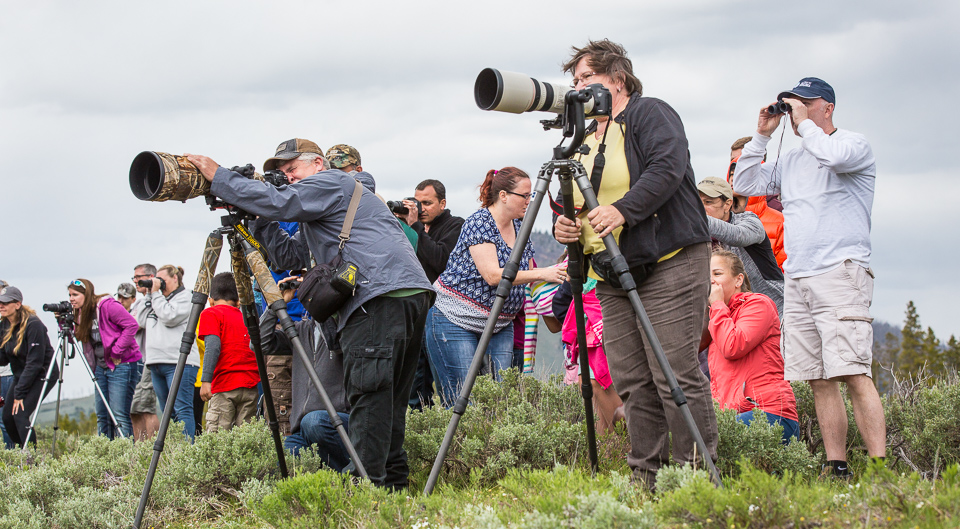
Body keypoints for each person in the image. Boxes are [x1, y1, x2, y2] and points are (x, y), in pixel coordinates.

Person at [186, 138, 433, 491]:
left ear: (318, 163)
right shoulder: (328, 207)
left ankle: (365, 495)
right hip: (402, 294)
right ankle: (392, 491)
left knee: (369, 398)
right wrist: (257, 216)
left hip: (377, 296)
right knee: (385, 403)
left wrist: (221, 178)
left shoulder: (332, 181)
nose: (288, 178)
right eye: (283, 173)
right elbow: (288, 256)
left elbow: (281, 201)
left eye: (292, 169)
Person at [553, 39, 718, 489]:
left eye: (587, 77)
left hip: (669, 260)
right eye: (575, 81)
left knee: (674, 372)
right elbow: (569, 199)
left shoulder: (650, 113)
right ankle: (646, 477)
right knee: (631, 379)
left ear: (618, 79)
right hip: (610, 270)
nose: (579, 87)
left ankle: (694, 478)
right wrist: (563, 226)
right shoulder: (582, 136)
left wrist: (623, 210)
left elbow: (667, 168)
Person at [732, 77, 885, 477]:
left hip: (840, 271)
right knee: (818, 378)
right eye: (792, 103)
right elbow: (744, 184)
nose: (796, 109)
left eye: (805, 102)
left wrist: (804, 124)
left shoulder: (852, 144)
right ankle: (837, 466)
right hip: (798, 277)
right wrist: (762, 136)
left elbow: (831, 158)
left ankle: (880, 469)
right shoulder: (793, 159)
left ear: (827, 107)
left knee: (853, 371)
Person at [426, 167, 566, 406]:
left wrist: (558, 277)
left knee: (500, 401)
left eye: (531, 196)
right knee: (463, 399)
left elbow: (528, 272)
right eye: (524, 196)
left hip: (500, 325)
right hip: (455, 321)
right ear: (503, 196)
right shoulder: (480, 222)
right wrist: (544, 273)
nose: (529, 201)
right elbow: (492, 275)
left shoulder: (520, 227)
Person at [706, 251, 798, 443]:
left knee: (710, 441)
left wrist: (717, 305)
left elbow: (732, 346)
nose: (711, 281)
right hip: (737, 414)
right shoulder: (718, 317)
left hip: (769, 412)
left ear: (738, 279)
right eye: (707, 276)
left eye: (717, 273)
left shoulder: (758, 304)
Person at [261, 276, 351, 471]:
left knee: (314, 422)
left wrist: (321, 298)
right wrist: (275, 303)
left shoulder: (345, 328)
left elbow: (330, 326)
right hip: (302, 429)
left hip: (338, 422)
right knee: (280, 464)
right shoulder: (301, 331)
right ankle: (326, 478)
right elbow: (259, 343)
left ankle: (352, 473)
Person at [396, 179, 465, 409]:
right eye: (418, 203)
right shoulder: (414, 227)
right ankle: (420, 427)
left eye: (427, 203)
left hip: (443, 315)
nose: (421, 208)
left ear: (442, 203)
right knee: (415, 387)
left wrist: (415, 227)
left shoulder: (456, 226)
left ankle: (448, 426)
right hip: (415, 313)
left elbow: (440, 260)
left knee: (445, 384)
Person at [697, 176, 784, 318]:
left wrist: (696, 218)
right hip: (728, 315)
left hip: (773, 312)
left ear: (727, 204)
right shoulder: (697, 236)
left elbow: (737, 235)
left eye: (708, 202)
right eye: (697, 203)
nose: (700, 209)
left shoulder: (749, 221)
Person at [68, 279, 142, 439]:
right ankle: (105, 451)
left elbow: (131, 325)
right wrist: (63, 323)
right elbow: (75, 337)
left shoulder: (107, 306)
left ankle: (126, 452)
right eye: (70, 295)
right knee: (102, 415)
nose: (71, 299)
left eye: (75, 294)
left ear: (86, 294)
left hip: (122, 364)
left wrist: (116, 351)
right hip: (100, 366)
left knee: (119, 414)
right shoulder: (81, 314)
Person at [137, 264, 201, 440]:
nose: (159, 284)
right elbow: (140, 320)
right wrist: (149, 294)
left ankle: (187, 450)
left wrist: (156, 294)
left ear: (175, 278)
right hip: (156, 362)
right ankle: (174, 449)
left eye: (162, 280)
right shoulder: (156, 298)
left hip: (179, 362)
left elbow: (169, 317)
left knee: (182, 409)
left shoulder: (186, 297)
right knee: (168, 413)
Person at [197, 273, 260, 433]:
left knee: (218, 437)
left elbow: (213, 347)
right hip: (250, 385)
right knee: (246, 438)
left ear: (210, 300)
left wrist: (206, 380)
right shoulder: (247, 318)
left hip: (224, 384)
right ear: (238, 300)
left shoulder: (210, 313)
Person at [0, 286, 57, 448]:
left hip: (43, 374)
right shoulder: (4, 325)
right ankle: (23, 452)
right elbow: (3, 358)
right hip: (22, 375)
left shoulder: (33, 324)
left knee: (20, 415)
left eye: (6, 303)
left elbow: (35, 363)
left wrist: (19, 393)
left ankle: (32, 458)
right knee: (7, 418)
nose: (1, 306)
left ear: (18, 304)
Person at [118, 281, 160, 441]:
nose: (121, 301)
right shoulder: (129, 312)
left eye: (125, 298)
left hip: (144, 360)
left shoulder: (140, 307)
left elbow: (135, 325)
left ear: (133, 299)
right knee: (134, 409)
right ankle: (140, 446)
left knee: (146, 408)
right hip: (130, 364)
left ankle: (152, 445)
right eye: (119, 297)